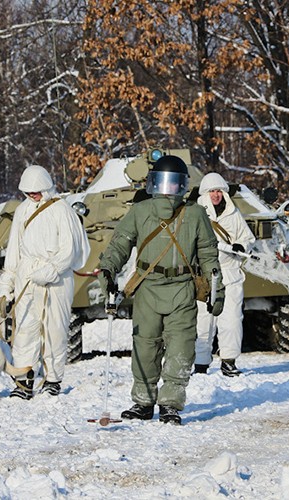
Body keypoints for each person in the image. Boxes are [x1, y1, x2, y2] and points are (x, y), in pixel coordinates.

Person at [97, 154, 223, 424]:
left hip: (182, 288)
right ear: (153, 183)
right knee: (145, 346)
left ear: (183, 186)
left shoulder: (195, 214)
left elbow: (209, 255)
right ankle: (143, 401)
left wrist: (216, 288)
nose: (168, 189)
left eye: (173, 183)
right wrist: (108, 270)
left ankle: (170, 403)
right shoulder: (140, 211)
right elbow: (120, 244)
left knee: (181, 347)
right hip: (147, 288)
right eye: (163, 182)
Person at [0, 165, 90, 400]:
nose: (33, 195)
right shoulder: (22, 211)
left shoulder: (62, 210)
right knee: (26, 329)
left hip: (56, 279)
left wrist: (52, 270)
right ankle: (23, 379)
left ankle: (52, 379)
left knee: (54, 329)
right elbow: (14, 250)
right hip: (27, 275)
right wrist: (6, 284)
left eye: (36, 191)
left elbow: (70, 249)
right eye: (28, 192)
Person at [193, 173, 255, 376]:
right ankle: (200, 363)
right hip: (205, 275)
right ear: (205, 193)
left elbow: (248, 238)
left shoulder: (232, 213)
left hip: (230, 273)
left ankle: (229, 360)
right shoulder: (196, 213)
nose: (216, 195)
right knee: (204, 320)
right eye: (212, 191)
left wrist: (240, 245)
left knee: (231, 319)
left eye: (219, 191)